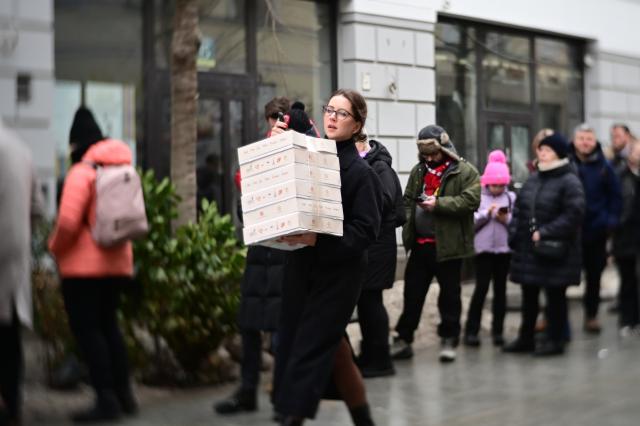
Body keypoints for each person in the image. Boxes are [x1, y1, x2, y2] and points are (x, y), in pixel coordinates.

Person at [271, 89, 382, 425]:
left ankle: (292, 417)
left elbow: (366, 232)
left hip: (339, 276)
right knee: (332, 351)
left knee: (311, 348)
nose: (331, 117)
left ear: (358, 124)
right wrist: (278, 150)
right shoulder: (310, 157)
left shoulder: (362, 174)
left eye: (342, 113)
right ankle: (363, 420)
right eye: (329, 110)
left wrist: (319, 239)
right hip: (302, 268)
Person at [214, 101, 315, 415]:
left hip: (290, 256)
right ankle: (248, 391)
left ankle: (282, 397)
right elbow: (247, 209)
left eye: (277, 123)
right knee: (249, 325)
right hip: (260, 253)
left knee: (284, 332)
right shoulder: (262, 152)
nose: (273, 128)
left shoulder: (308, 152)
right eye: (271, 123)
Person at [48, 107, 138, 423]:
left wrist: (54, 248)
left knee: (89, 333)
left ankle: (106, 400)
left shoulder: (82, 172)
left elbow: (69, 222)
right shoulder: (122, 168)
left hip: (83, 272)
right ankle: (125, 396)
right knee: (110, 328)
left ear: (76, 143)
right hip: (117, 266)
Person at [391, 125, 480, 363]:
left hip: (449, 246)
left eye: (433, 154)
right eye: (425, 154)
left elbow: (471, 200)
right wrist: (410, 218)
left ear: (445, 149)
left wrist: (438, 204)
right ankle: (404, 338)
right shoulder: (418, 171)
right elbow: (407, 200)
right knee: (413, 294)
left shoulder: (465, 172)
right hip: (420, 246)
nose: (429, 159)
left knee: (450, 296)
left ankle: (450, 338)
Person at [504, 132, 585, 356]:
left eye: (547, 150)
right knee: (529, 295)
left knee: (555, 298)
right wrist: (514, 232)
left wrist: (546, 232)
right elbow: (519, 209)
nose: (542, 153)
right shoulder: (535, 177)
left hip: (555, 251)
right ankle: (525, 338)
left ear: (558, 153)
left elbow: (574, 214)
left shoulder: (569, 180)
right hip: (529, 249)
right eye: (540, 149)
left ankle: (555, 341)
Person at [0, 120, 43, 426]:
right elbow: (38, 208)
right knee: (10, 336)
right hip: (14, 261)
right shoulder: (22, 150)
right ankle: (13, 404)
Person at [354, 134, 405, 378]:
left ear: (362, 144)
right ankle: (370, 354)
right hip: (371, 246)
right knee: (366, 302)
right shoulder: (371, 165)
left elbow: (384, 202)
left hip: (379, 247)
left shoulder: (379, 167)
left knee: (371, 302)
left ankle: (381, 359)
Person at [568, 123, 622, 334]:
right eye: (581, 138)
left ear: (594, 141)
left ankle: (591, 315)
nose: (585, 143)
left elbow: (615, 197)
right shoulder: (566, 161)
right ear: (575, 140)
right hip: (569, 231)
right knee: (560, 276)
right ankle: (554, 318)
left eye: (589, 139)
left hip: (595, 231)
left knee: (594, 277)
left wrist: (609, 222)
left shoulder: (604, 166)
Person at [463, 150, 515, 347]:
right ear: (487, 182)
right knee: (481, 289)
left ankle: (498, 331)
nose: (497, 189)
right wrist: (486, 214)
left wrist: (505, 218)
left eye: (501, 186)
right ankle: (471, 331)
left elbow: (515, 223)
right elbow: (471, 222)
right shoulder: (479, 197)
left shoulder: (510, 198)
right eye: (494, 185)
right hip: (483, 250)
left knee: (501, 291)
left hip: (503, 251)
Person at [612, 140, 640, 335]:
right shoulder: (619, 176)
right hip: (625, 235)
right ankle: (628, 319)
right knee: (627, 278)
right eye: (636, 150)